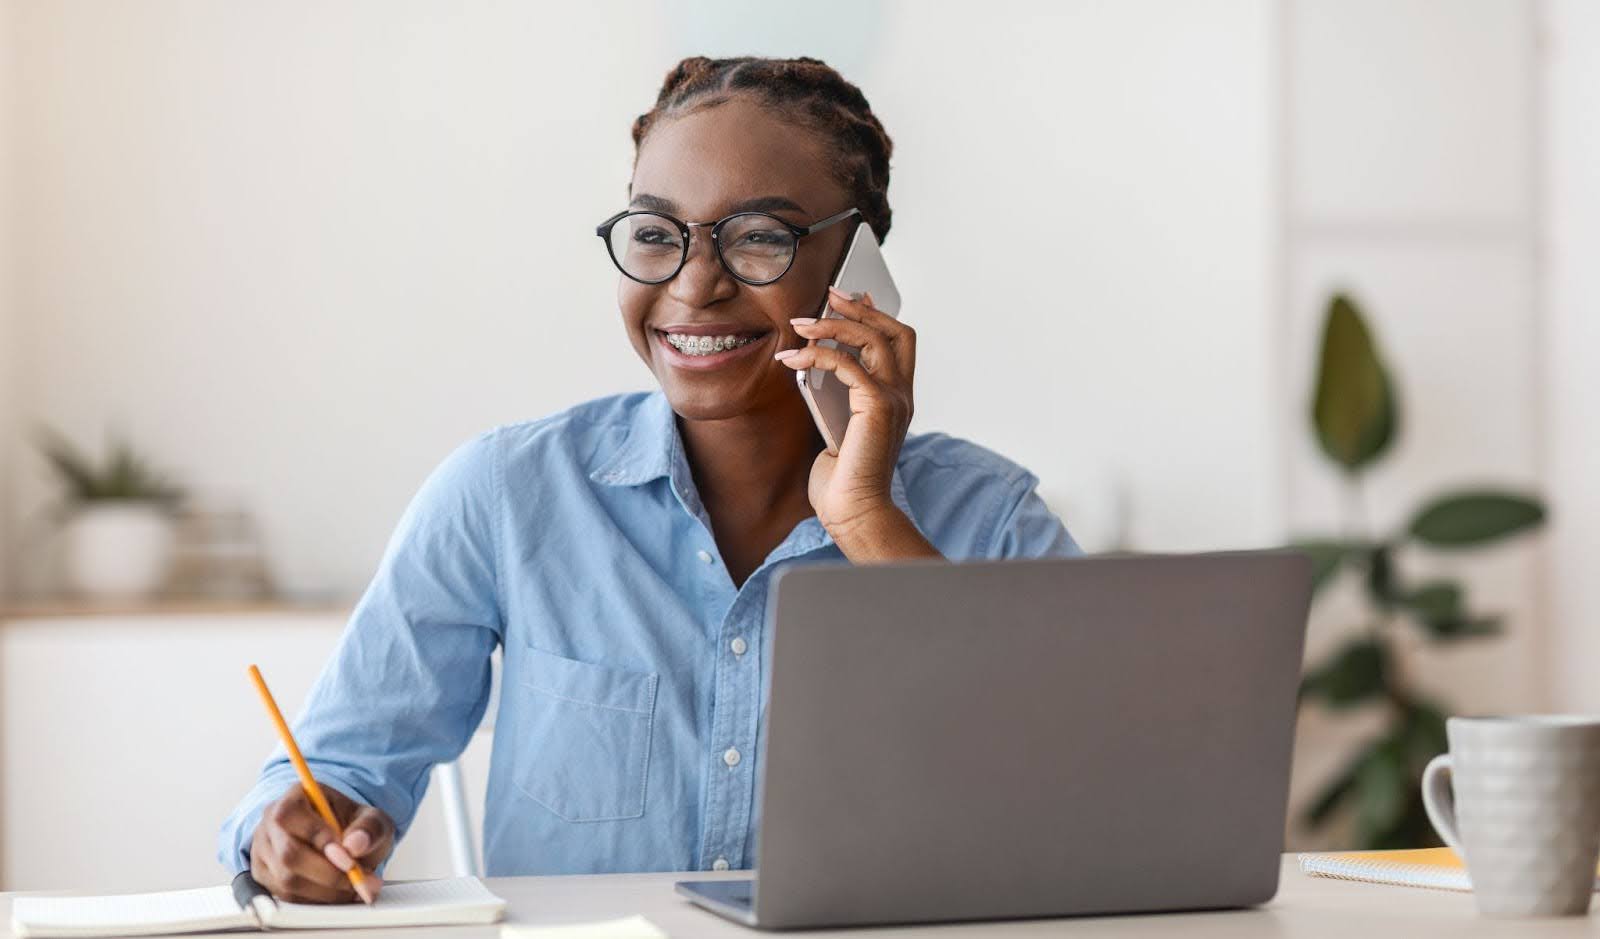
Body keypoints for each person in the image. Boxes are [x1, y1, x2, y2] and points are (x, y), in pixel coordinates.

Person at [218, 55, 1079, 904]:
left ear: (859, 271)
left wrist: (867, 520)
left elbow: (1082, 799)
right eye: (658, 235)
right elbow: (338, 769)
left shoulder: (991, 520)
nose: (694, 284)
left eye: (757, 237)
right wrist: (294, 832)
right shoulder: (508, 494)